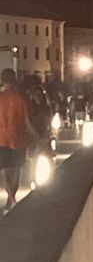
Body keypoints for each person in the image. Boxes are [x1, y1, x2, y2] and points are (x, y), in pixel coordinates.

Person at [0, 68, 33, 212]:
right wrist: (37, 136)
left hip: (1, 139)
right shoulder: (21, 98)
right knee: (16, 170)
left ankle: (11, 199)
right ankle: (11, 199)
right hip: (19, 139)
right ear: (14, 80)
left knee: (4, 171)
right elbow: (28, 121)